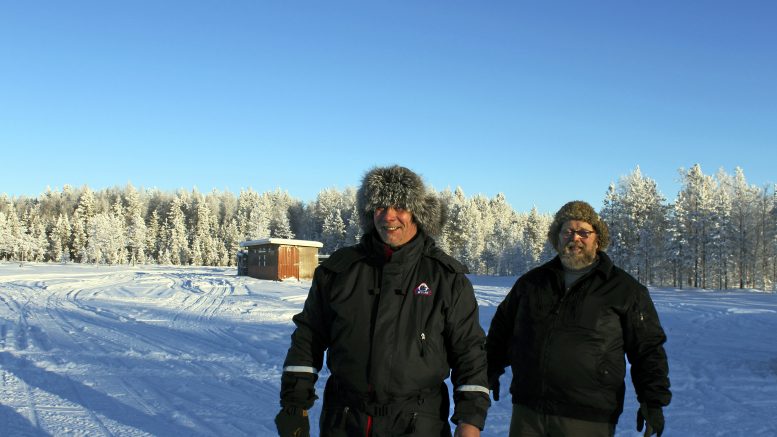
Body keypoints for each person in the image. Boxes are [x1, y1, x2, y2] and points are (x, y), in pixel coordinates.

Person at [275, 165, 490, 437]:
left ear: (417, 213)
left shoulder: (446, 279)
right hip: (344, 420)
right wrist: (294, 404)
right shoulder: (338, 271)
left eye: (400, 206)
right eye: (379, 206)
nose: (388, 216)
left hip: (419, 424)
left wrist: (470, 421)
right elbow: (309, 337)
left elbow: (469, 352)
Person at [486, 200, 671, 437]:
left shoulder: (624, 289)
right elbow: (502, 330)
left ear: (597, 239)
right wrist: (490, 369)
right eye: (568, 232)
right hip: (529, 412)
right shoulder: (532, 283)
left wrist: (653, 400)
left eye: (584, 232)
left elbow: (648, 348)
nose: (575, 238)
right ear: (558, 237)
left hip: (588, 416)